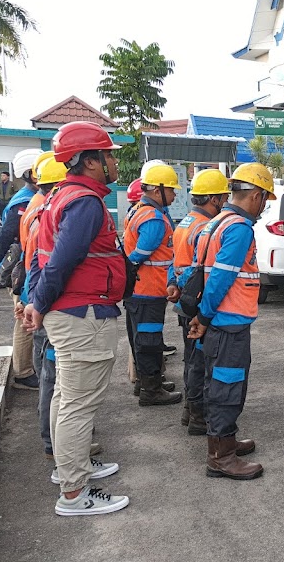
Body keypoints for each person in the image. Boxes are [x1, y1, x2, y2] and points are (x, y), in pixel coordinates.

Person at [23, 120, 128, 516]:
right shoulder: (84, 202)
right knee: (77, 404)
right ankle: (74, 492)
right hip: (83, 314)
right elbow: (62, 261)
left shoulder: (59, 196)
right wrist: (38, 302)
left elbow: (43, 257)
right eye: (109, 155)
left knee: (67, 398)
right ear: (90, 161)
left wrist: (37, 300)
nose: (114, 162)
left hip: (72, 311)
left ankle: (71, 468)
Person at [186, 162, 275, 481]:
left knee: (218, 383)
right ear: (256, 195)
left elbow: (199, 272)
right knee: (227, 387)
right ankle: (221, 457)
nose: (263, 207)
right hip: (228, 323)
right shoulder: (238, 229)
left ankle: (225, 441)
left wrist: (202, 316)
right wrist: (204, 316)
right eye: (265, 200)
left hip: (219, 322)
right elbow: (220, 279)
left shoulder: (214, 223)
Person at [171, 169, 230, 435]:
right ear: (214, 199)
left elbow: (175, 261)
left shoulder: (185, 222)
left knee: (191, 357)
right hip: (197, 298)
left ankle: (190, 409)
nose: (226, 203)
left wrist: (174, 283)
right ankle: (198, 415)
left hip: (185, 297)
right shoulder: (205, 227)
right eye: (224, 198)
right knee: (199, 360)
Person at [124, 162, 183, 407]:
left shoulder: (138, 209)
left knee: (141, 338)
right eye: (171, 190)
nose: (175, 194)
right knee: (149, 341)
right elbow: (141, 252)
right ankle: (151, 390)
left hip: (139, 290)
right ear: (157, 191)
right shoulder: (154, 218)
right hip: (148, 291)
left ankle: (147, 382)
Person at [0, 148, 44, 391]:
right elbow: (5, 236)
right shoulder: (24, 202)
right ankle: (23, 373)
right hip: (22, 269)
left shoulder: (28, 197)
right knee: (25, 320)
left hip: (24, 266)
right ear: (31, 174)